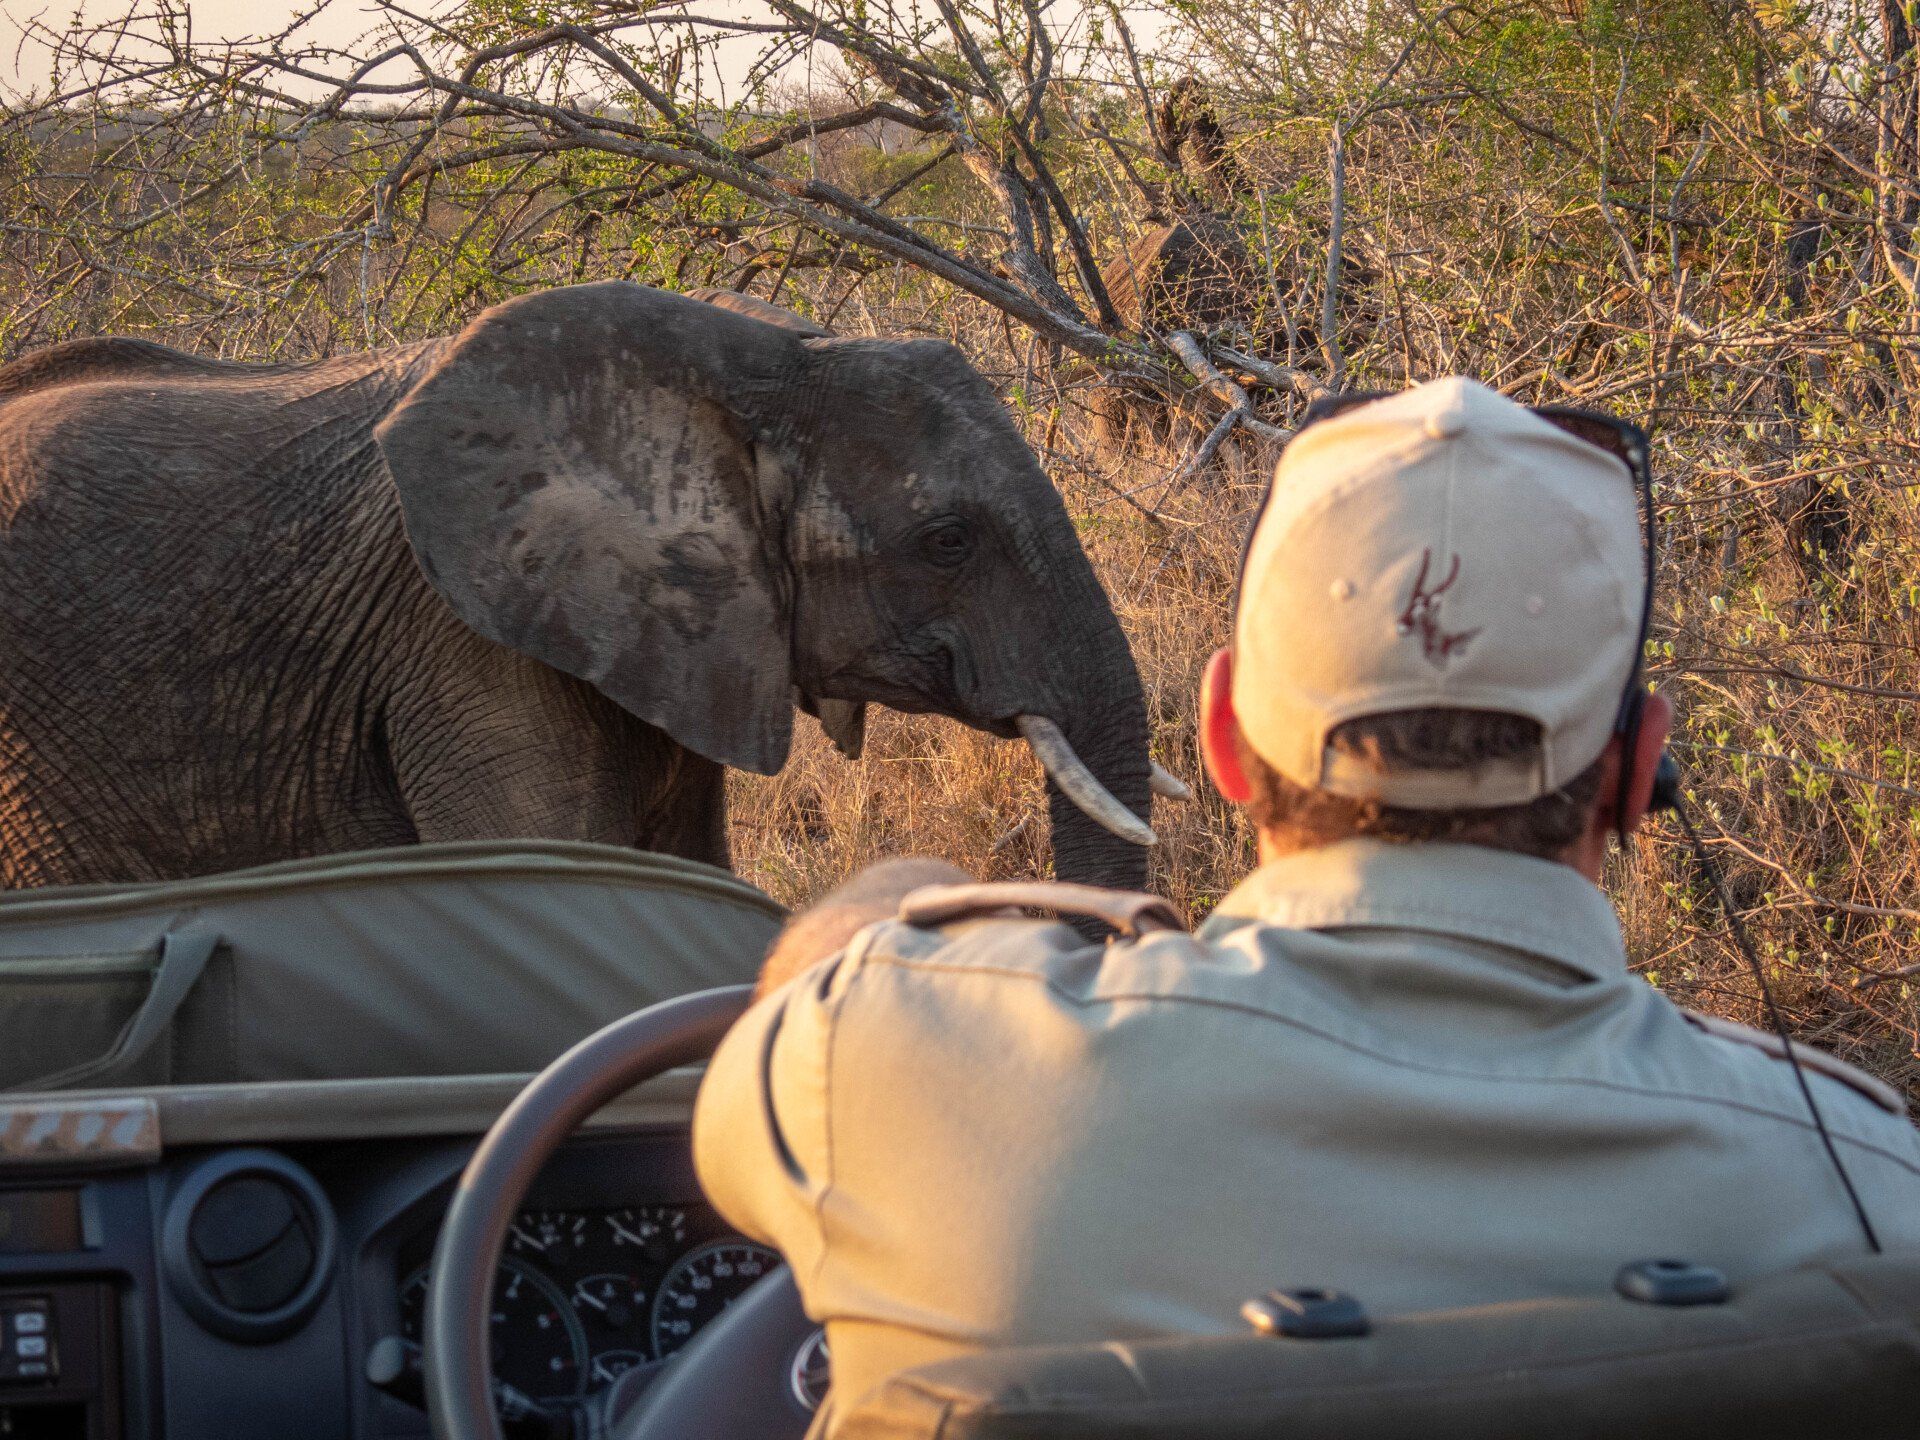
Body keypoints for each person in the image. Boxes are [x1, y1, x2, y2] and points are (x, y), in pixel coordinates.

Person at [691, 378, 1920, 1417]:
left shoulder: (890, 1061)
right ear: (1642, 766)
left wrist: (910, 905)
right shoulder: (1867, 1194)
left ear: (1223, 738)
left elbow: (772, 1064)